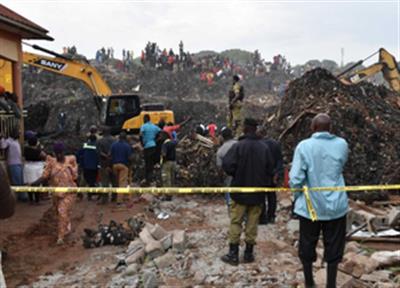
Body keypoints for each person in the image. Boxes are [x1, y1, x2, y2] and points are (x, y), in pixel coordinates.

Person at [289, 113, 349, 288]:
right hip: (336, 206)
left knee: (307, 245)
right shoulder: (342, 145)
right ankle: (331, 284)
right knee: (334, 248)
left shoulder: (304, 146)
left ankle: (309, 282)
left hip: (310, 207)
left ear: (312, 128)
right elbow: (340, 166)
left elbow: (296, 178)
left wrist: (297, 194)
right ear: (330, 128)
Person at [221, 118, 274, 265]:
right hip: (257, 193)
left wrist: (236, 173)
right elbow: (271, 168)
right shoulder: (264, 148)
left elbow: (227, 164)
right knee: (252, 222)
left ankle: (233, 254)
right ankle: (249, 254)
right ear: (255, 129)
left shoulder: (239, 146)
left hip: (239, 191)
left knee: (236, 221)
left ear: (245, 128)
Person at [31, 142, 78, 245]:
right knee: (59, 213)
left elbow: (75, 176)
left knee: (62, 211)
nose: (59, 155)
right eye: (57, 153)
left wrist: (70, 170)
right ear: (54, 153)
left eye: (61, 153)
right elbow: (45, 176)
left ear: (64, 152)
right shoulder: (51, 163)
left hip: (69, 192)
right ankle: (66, 225)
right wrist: (34, 184)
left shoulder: (71, 160)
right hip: (56, 193)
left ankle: (60, 237)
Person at [257, 126, 284, 224]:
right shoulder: (275, 144)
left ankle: (263, 217)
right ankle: (271, 216)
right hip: (272, 174)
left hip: (261, 174)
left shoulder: (259, 145)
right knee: (271, 196)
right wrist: (277, 173)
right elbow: (280, 160)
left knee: (261, 196)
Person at [0, 129, 27, 201]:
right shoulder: (8, 141)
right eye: (18, 133)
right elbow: (2, 146)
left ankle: (22, 195)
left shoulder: (16, 141)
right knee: (17, 181)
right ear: (13, 133)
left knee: (21, 180)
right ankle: (21, 197)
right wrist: (2, 138)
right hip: (13, 164)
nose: (19, 135)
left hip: (18, 163)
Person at [216, 127, 237, 212]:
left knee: (229, 198)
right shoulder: (240, 144)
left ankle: (231, 212)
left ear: (222, 137)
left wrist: (221, 179)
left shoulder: (221, 150)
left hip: (228, 178)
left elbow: (219, 168)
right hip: (243, 177)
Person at [110, 132, 133, 204]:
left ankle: (114, 197)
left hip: (114, 165)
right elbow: (129, 157)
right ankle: (119, 201)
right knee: (122, 183)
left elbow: (110, 155)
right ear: (125, 138)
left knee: (115, 182)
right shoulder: (127, 146)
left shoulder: (113, 145)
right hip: (123, 166)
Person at [24, 136, 46, 204]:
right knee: (37, 184)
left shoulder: (25, 149)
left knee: (29, 184)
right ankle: (37, 200)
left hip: (27, 167)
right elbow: (44, 156)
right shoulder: (38, 151)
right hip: (37, 167)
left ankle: (30, 200)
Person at [140, 115, 161, 184]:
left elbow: (141, 135)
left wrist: (142, 143)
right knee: (151, 164)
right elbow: (160, 133)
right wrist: (155, 140)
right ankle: (151, 179)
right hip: (154, 146)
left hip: (147, 147)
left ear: (145, 119)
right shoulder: (154, 126)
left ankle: (148, 180)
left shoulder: (143, 126)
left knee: (147, 164)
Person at [96, 127, 115, 203]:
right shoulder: (115, 140)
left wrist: (106, 156)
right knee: (114, 181)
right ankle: (114, 197)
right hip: (113, 162)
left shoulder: (99, 141)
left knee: (105, 181)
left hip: (103, 163)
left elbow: (98, 152)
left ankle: (105, 199)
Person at [77, 135, 99, 200]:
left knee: (86, 180)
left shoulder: (85, 145)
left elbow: (79, 154)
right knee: (93, 181)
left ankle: (81, 193)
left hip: (86, 166)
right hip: (94, 166)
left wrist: (81, 162)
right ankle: (91, 194)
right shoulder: (97, 146)